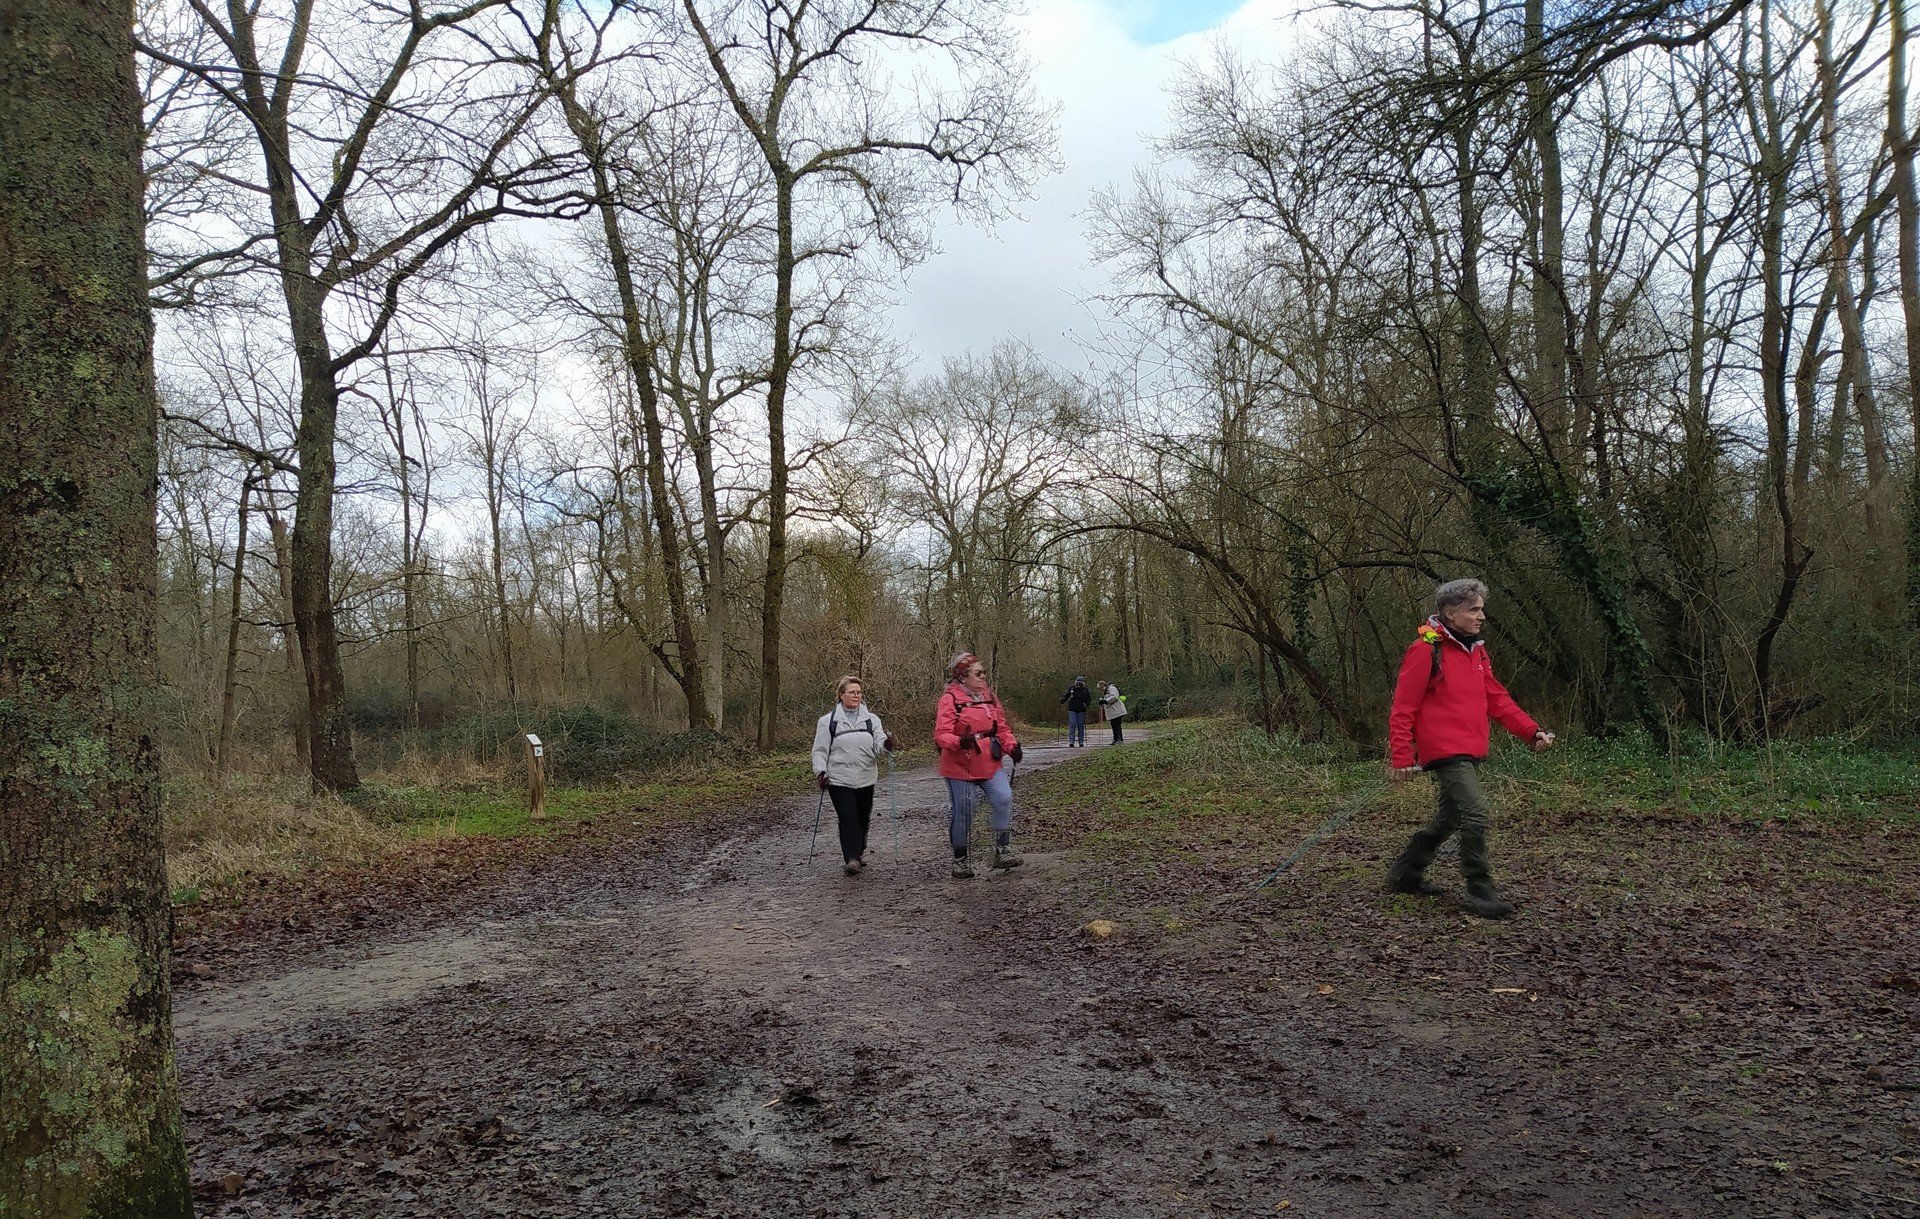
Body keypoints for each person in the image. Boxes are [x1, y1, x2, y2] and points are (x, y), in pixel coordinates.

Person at [1384, 578, 1555, 919]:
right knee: (1476, 812)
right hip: (1445, 750)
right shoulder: (1424, 650)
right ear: (1450, 613)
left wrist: (1531, 731)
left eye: (1481, 609)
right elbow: (1403, 707)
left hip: (1471, 746)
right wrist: (1401, 755)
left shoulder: (1477, 650)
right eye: (1473, 610)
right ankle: (1481, 891)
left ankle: (1406, 873)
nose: (1481, 617)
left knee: (1450, 818)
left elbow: (1497, 698)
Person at [934, 652, 1024, 878]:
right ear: (963, 677)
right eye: (978, 673)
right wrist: (959, 741)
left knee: (1003, 798)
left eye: (983, 672)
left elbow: (1001, 728)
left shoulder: (990, 697)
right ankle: (960, 860)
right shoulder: (950, 699)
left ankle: (1002, 850)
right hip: (960, 765)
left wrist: (1011, 747)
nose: (983, 676)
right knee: (965, 809)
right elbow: (941, 736)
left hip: (989, 761)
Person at [811, 676, 899, 875]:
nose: (856, 695)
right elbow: (820, 750)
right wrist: (820, 772)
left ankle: (858, 851)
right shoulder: (828, 722)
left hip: (866, 776)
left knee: (862, 815)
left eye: (858, 692)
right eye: (852, 692)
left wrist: (887, 745)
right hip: (838, 778)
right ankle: (851, 857)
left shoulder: (871, 720)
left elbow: (879, 745)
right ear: (841, 695)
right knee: (848, 816)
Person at [1059, 675, 1093, 747]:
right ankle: (1071, 741)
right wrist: (1062, 701)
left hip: (1081, 709)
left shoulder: (1085, 690)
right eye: (1078, 683)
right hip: (1072, 709)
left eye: (1080, 683)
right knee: (1072, 724)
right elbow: (1066, 696)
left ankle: (1081, 741)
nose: (1079, 684)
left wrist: (1086, 704)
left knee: (1081, 725)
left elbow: (1088, 699)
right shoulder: (1072, 689)